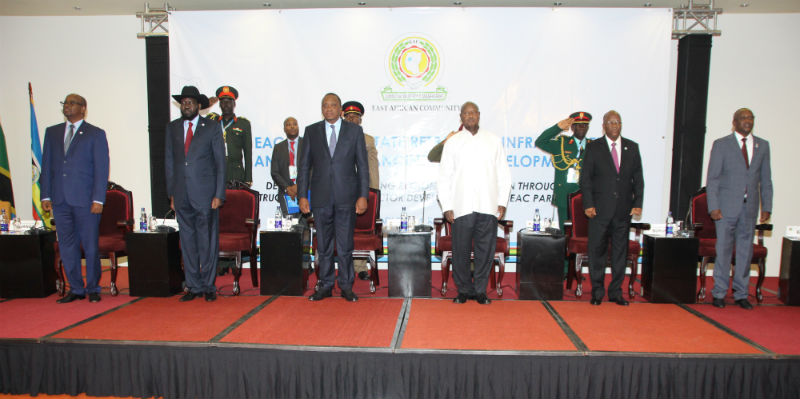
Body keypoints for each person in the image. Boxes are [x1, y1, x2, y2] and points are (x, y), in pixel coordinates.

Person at [297, 93, 369, 302]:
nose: (328, 109)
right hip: (320, 198)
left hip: (347, 197)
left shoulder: (354, 131)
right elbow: (304, 167)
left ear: (340, 109)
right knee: (324, 246)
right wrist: (302, 195)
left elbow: (362, 167)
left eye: (333, 105)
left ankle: (346, 286)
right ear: (322, 109)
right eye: (325, 105)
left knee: (345, 245)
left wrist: (363, 195)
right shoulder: (311, 131)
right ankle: (325, 285)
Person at [438, 102, 511, 305]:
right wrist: (446, 206)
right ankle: (463, 290)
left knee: (485, 252)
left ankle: (480, 291)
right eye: (466, 113)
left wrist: (502, 202)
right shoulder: (452, 143)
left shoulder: (493, 141)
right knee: (460, 251)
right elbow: (444, 177)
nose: (470, 116)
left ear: (479, 115)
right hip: (461, 206)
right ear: (460, 117)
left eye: (473, 113)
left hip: (488, 205)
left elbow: (503, 175)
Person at [40, 93, 109, 304]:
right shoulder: (52, 133)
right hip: (60, 200)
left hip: (86, 201)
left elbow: (101, 168)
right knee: (67, 246)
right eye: (65, 103)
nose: (67, 106)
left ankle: (93, 287)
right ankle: (76, 288)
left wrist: (99, 199)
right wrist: (46, 194)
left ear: (83, 108)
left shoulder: (95, 134)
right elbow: (48, 166)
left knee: (90, 247)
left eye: (72, 103)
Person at [706, 108, 772, 310]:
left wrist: (767, 206)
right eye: (743, 118)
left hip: (749, 208)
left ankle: (741, 293)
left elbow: (766, 179)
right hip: (725, 208)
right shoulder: (721, 144)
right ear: (734, 122)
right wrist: (713, 206)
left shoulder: (762, 145)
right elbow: (713, 178)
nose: (747, 121)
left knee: (745, 251)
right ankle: (719, 292)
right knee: (724, 250)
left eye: (750, 118)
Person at [165, 86, 226, 302]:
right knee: (187, 242)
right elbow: (170, 162)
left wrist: (219, 194)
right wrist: (171, 193)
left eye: (190, 102)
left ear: (199, 105)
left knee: (207, 242)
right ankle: (193, 286)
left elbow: (220, 162)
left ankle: (208, 285)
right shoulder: (172, 128)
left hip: (206, 195)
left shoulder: (211, 127)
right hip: (181, 195)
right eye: (183, 102)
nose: (186, 105)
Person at [580, 110, 643, 306]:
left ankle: (616, 292)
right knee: (597, 252)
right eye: (611, 122)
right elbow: (586, 179)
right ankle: (597, 292)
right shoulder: (594, 147)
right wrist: (588, 204)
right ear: (604, 125)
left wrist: (638, 204)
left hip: (623, 211)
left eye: (618, 122)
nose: (615, 125)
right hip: (599, 210)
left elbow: (638, 180)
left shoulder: (632, 147)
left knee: (619, 253)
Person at [535, 112, 593, 231]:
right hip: (564, 195)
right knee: (564, 233)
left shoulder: (594, 146)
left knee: (586, 233)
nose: (582, 127)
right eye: (578, 125)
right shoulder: (562, 143)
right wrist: (558, 128)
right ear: (572, 127)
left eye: (585, 125)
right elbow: (540, 142)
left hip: (588, 197)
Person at [342, 100, 380, 281]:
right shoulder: (335, 138)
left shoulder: (368, 140)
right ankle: (344, 267)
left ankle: (360, 267)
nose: (351, 120)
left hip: (360, 192)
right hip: (340, 191)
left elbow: (372, 168)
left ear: (360, 120)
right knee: (342, 230)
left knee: (359, 229)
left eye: (355, 117)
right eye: (348, 117)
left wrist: (373, 192)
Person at [206, 86, 252, 186]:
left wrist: (248, 178)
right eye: (222, 102)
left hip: (236, 173)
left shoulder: (243, 124)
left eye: (229, 102)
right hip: (215, 172)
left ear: (234, 104)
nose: (225, 105)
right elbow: (197, 122)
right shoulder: (212, 121)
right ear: (219, 105)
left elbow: (248, 153)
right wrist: (205, 105)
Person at [271, 117, 303, 216]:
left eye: (295, 124)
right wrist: (288, 188)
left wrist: (299, 186)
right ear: (284, 129)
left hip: (305, 193)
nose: (292, 126)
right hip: (286, 193)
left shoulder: (307, 144)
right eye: (288, 124)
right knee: (289, 227)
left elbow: (313, 169)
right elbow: (274, 172)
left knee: (305, 228)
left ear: (298, 127)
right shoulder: (278, 148)